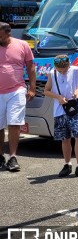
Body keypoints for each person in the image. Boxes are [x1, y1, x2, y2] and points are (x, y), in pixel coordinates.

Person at [43, 54, 78, 178]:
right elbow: (46, 91)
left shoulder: (76, 70)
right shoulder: (52, 73)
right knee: (64, 138)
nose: (62, 72)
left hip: (75, 108)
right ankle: (67, 164)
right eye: (59, 70)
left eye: (64, 69)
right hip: (59, 110)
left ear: (69, 65)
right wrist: (58, 97)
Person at [0, 22, 36, 172]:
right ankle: (0, 156)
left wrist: (32, 88)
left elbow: (30, 67)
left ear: (8, 34)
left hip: (17, 90)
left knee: (15, 123)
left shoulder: (22, 45)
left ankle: (12, 157)